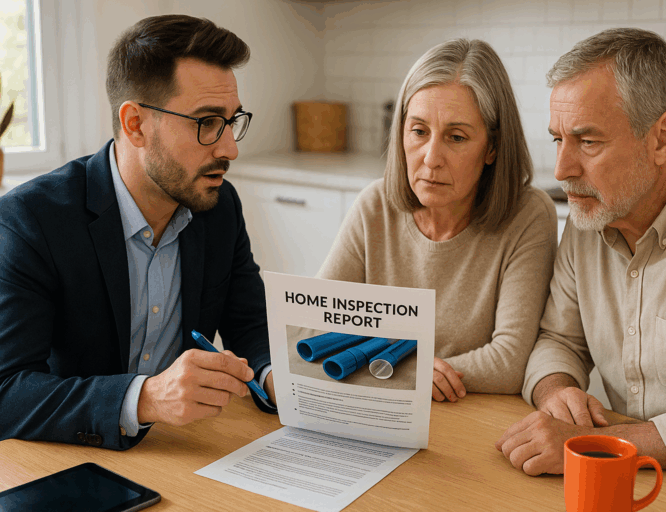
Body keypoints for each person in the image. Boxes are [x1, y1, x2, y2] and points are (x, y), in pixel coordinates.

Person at [495, 28, 666, 478]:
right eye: (558, 139)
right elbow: (558, 341)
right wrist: (556, 391)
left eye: (588, 142)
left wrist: (599, 445)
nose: (562, 169)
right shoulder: (591, 215)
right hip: (624, 483)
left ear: (662, 137)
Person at [0, 15, 276, 451]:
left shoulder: (219, 206)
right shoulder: (30, 220)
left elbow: (250, 324)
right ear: (135, 124)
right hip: (70, 458)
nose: (230, 149)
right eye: (206, 122)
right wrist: (145, 399)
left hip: (180, 448)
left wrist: (276, 377)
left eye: (231, 120)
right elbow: (8, 391)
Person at [317, 39, 558, 402]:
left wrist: (395, 368)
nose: (431, 158)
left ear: (492, 147)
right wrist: (409, 371)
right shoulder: (374, 205)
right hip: (384, 405)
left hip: (475, 414)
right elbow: (315, 325)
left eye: (456, 137)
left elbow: (509, 362)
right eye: (418, 131)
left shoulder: (528, 215)